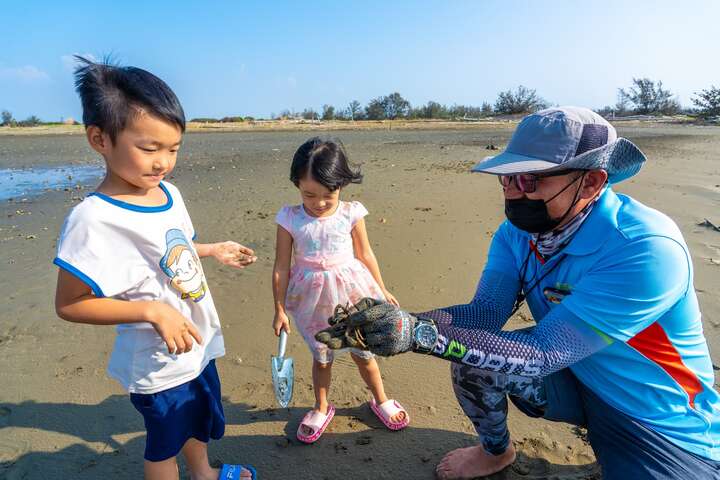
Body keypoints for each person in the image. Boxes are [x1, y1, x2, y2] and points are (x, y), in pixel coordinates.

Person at [315, 107, 720, 479]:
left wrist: (418, 336)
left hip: (656, 417)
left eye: (530, 179)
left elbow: (545, 351)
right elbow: (486, 312)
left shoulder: (643, 247)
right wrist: (401, 322)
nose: (512, 192)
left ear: (592, 180)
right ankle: (496, 452)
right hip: (577, 376)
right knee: (475, 361)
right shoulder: (517, 234)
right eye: (507, 178)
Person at [53, 57, 258, 480]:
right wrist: (152, 311)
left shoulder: (169, 193)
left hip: (197, 342)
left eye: (173, 149)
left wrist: (213, 249)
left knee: (197, 421)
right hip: (157, 361)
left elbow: (170, 250)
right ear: (99, 139)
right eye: (149, 148)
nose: (163, 161)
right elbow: (71, 303)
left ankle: (202, 473)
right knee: (163, 445)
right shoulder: (94, 219)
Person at [272, 137, 409, 443]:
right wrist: (279, 308)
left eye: (328, 196)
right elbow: (281, 266)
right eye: (309, 195)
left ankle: (380, 398)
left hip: (352, 296)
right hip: (313, 300)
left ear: (342, 185)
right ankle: (321, 406)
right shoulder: (290, 218)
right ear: (296, 184)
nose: (319, 203)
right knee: (322, 356)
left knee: (364, 351)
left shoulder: (351, 213)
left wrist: (382, 290)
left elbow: (365, 254)